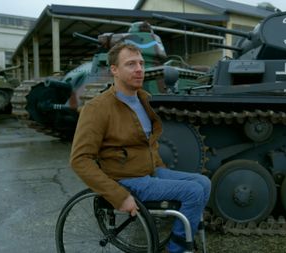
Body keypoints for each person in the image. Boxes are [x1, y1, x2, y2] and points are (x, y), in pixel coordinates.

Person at [70, 42, 211, 253]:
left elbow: (148, 142)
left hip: (150, 171)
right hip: (127, 180)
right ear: (114, 70)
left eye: (141, 63)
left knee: (204, 183)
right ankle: (179, 247)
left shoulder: (143, 99)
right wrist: (119, 196)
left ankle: (185, 234)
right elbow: (80, 160)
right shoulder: (97, 108)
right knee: (192, 192)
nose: (139, 69)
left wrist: (159, 168)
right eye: (130, 64)